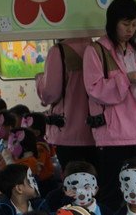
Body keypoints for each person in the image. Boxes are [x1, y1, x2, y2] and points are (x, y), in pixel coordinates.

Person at [83, 0, 136, 210]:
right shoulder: (96, 50)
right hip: (114, 136)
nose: (130, 30)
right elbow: (95, 90)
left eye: (134, 24)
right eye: (125, 24)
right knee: (113, 192)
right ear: (113, 23)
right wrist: (126, 79)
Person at [36, 38, 97, 169]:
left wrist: (39, 80)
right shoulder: (96, 47)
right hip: (96, 130)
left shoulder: (58, 51)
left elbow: (50, 93)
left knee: (72, 176)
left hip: (67, 130)